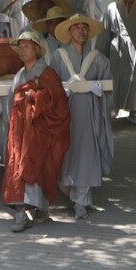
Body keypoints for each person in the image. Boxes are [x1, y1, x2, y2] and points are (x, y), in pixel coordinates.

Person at [1, 31, 71, 232]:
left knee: (39, 166)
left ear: (37, 49)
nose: (23, 51)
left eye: (27, 46)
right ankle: (21, 214)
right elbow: (10, 102)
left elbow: (58, 103)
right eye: (20, 47)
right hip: (19, 132)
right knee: (18, 169)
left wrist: (36, 97)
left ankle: (41, 209)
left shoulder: (48, 74)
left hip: (40, 132)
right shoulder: (19, 75)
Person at [47, 14, 114, 219]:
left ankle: (81, 202)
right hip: (65, 114)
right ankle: (68, 190)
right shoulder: (58, 57)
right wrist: (60, 92)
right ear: (69, 32)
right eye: (76, 27)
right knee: (65, 153)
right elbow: (48, 85)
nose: (81, 31)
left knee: (85, 155)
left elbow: (109, 87)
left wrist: (99, 90)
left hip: (89, 114)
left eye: (84, 27)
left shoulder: (98, 58)